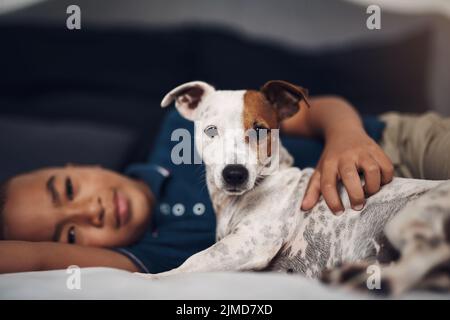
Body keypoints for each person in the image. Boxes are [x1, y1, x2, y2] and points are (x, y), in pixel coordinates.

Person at [1, 95, 449, 274]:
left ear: (78, 164)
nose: (90, 211)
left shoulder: (181, 125)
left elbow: (314, 109)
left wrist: (347, 139)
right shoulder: (148, 261)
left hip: (392, 143)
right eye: (72, 234)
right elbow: (34, 257)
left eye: (67, 191)